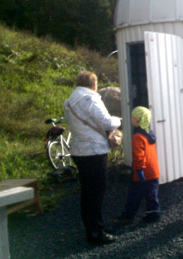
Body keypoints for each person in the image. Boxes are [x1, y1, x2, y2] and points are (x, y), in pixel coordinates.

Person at [65, 71, 121, 245]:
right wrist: (117, 120)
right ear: (94, 84)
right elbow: (106, 122)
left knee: (87, 192)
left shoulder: (70, 100)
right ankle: (96, 232)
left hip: (79, 151)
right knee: (96, 193)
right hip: (94, 152)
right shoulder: (90, 99)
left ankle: (94, 227)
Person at [118, 106, 161, 223]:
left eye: (133, 117)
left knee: (134, 195)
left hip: (142, 172)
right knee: (152, 195)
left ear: (138, 120)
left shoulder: (137, 136)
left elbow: (139, 155)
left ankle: (128, 215)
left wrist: (139, 170)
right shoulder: (150, 134)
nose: (131, 119)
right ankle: (154, 215)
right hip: (153, 171)